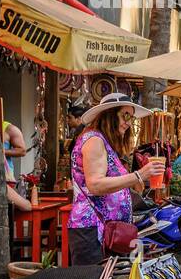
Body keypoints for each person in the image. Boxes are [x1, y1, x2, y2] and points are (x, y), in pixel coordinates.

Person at [68, 93, 161, 267]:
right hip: (92, 230)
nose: (128, 122)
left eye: (131, 117)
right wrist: (138, 175)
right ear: (110, 114)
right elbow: (95, 184)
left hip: (105, 231)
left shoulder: (103, 142)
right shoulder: (94, 140)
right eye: (125, 115)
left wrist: (134, 183)